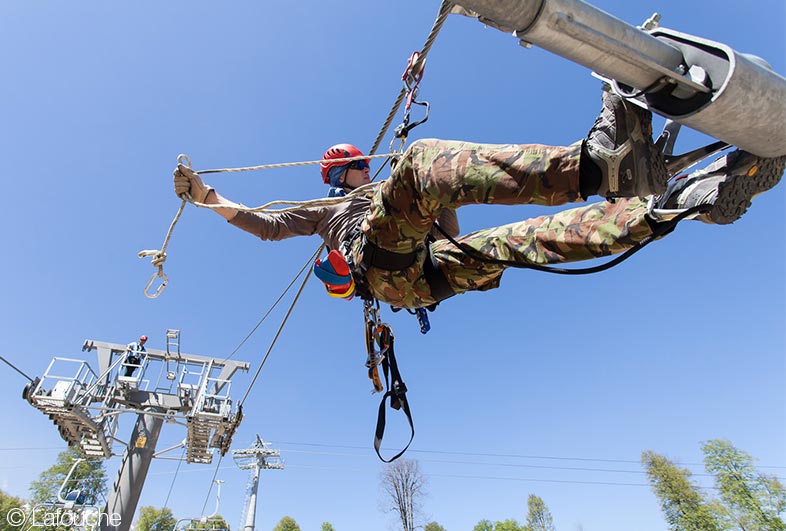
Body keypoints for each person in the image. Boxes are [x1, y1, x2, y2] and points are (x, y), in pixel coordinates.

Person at [173, 90, 784, 310]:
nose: (367, 165)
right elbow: (264, 224)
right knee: (420, 163)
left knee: (531, 238)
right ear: (346, 173)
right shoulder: (334, 211)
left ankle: (676, 205)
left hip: (436, 270)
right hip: (389, 271)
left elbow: (440, 202)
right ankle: (601, 169)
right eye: (359, 163)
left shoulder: (394, 199)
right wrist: (206, 196)